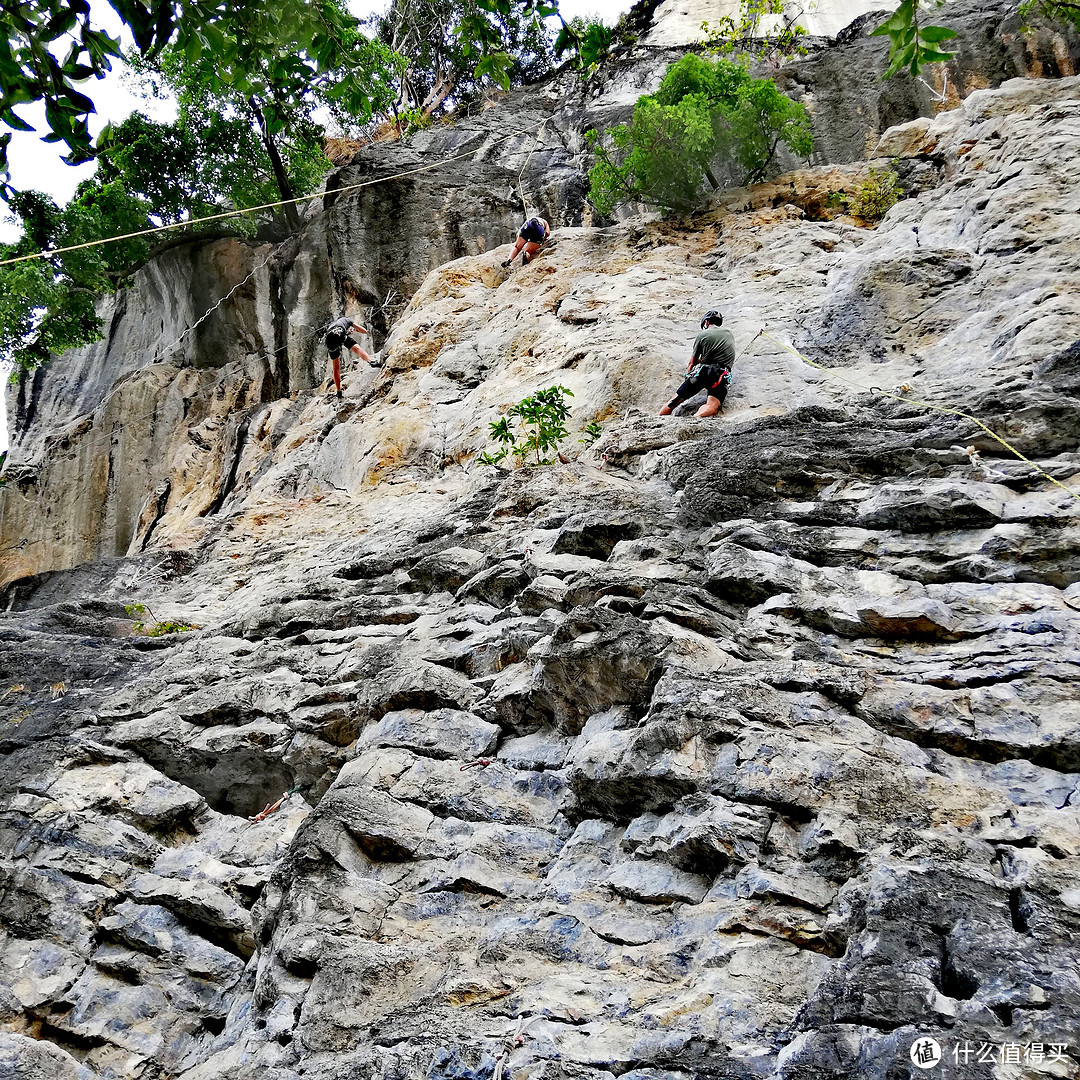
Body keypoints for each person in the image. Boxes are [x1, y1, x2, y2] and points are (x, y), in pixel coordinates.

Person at [659, 309, 735, 418]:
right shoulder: (729, 333)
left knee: (673, 401)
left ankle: (660, 417)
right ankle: (696, 418)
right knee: (712, 405)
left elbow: (692, 362)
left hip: (702, 372)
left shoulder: (702, 335)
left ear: (706, 322)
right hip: (720, 374)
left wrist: (687, 379)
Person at [324, 316, 379, 397]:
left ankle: (339, 391)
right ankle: (370, 361)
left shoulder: (332, 324)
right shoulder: (347, 320)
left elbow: (335, 332)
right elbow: (364, 331)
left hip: (330, 339)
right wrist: (356, 330)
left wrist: (348, 332)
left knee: (336, 368)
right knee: (357, 349)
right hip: (340, 333)